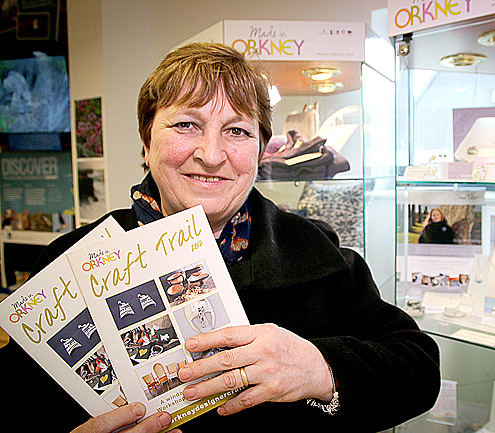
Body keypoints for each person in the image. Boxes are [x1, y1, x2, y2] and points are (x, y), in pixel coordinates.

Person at [2, 43, 440, 432]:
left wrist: (320, 367)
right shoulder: (71, 260)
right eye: (186, 125)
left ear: (259, 151)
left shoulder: (314, 250)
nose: (211, 156)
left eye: (237, 131)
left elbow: (418, 367)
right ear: (145, 141)